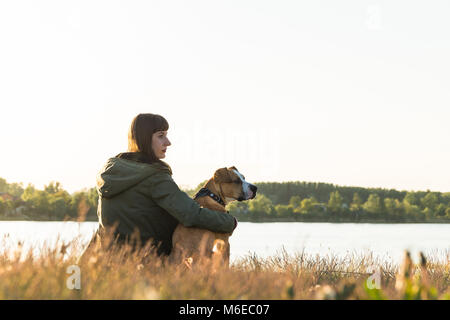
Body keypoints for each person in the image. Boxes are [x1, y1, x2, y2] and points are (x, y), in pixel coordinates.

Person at [87, 113, 237, 258]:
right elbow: (191, 214)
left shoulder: (110, 174)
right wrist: (229, 222)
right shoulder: (155, 177)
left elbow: (103, 228)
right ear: (145, 139)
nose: (168, 142)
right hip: (150, 262)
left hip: (110, 260)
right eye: (161, 136)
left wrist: (81, 266)